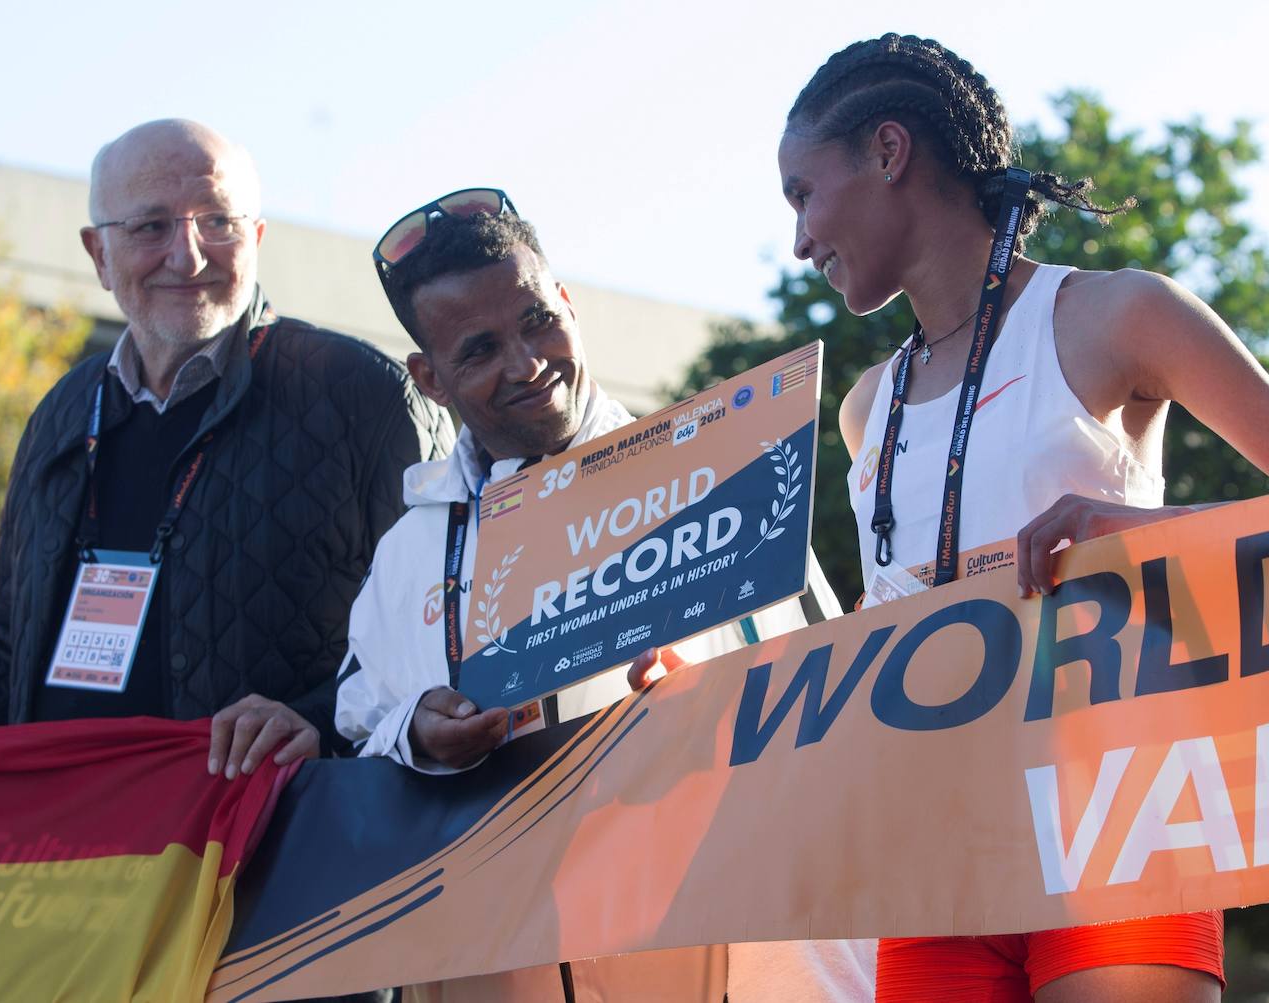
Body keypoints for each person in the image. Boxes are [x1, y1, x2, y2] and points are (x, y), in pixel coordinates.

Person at [779, 33, 1269, 1003]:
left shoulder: (1117, 314)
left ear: (888, 152)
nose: (799, 240)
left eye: (802, 193)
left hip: (1122, 809)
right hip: (935, 845)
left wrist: (1133, 536)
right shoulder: (864, 407)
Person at [335, 191, 872, 1001]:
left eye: (539, 320)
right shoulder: (408, 550)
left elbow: (832, 694)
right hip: (476, 957)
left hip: (682, 939)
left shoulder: (722, 469)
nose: (526, 364)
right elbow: (354, 726)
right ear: (429, 378)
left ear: (570, 305)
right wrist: (415, 731)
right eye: (479, 350)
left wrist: (704, 700)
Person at [0, 120, 452, 786]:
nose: (189, 255)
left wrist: (314, 718)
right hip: (64, 856)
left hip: (269, 857)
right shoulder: (60, 412)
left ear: (256, 238)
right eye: (150, 227)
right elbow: (9, 651)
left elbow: (445, 634)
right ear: (98, 254)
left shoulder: (365, 397)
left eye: (218, 223)